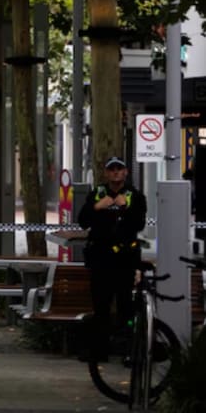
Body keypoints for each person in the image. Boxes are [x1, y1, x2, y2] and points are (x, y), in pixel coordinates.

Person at [77, 155, 146, 361]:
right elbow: (82, 221)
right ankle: (100, 351)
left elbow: (138, 225)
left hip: (125, 260)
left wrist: (125, 208)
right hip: (101, 259)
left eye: (119, 169)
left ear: (126, 172)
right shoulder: (97, 194)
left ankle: (128, 351)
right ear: (106, 173)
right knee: (101, 307)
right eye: (112, 169)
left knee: (126, 306)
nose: (116, 172)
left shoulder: (135, 196)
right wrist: (98, 207)